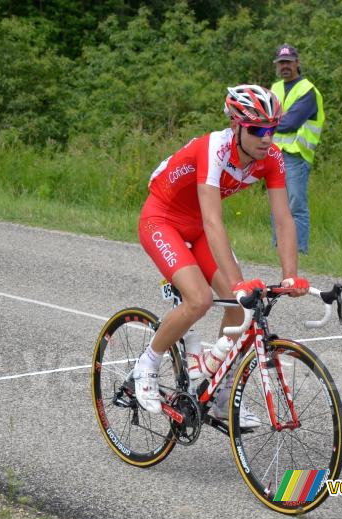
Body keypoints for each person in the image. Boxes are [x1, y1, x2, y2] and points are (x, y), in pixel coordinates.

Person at [133, 84, 310, 426]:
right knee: (199, 299)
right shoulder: (215, 148)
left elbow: (283, 217)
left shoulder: (270, 158)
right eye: (258, 129)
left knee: (236, 305)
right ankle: (147, 366)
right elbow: (214, 221)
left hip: (197, 223)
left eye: (272, 130)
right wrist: (240, 281)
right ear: (236, 126)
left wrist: (290, 275)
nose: (266, 138)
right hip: (162, 218)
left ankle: (219, 396)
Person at [270, 43, 325, 255]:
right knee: (277, 204)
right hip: (274, 154)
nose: (284, 66)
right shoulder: (275, 88)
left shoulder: (307, 90)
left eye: (288, 62)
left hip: (296, 155)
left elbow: (290, 123)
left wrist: (267, 121)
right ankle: (278, 247)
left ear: (297, 63)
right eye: (281, 63)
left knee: (296, 205)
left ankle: (300, 248)